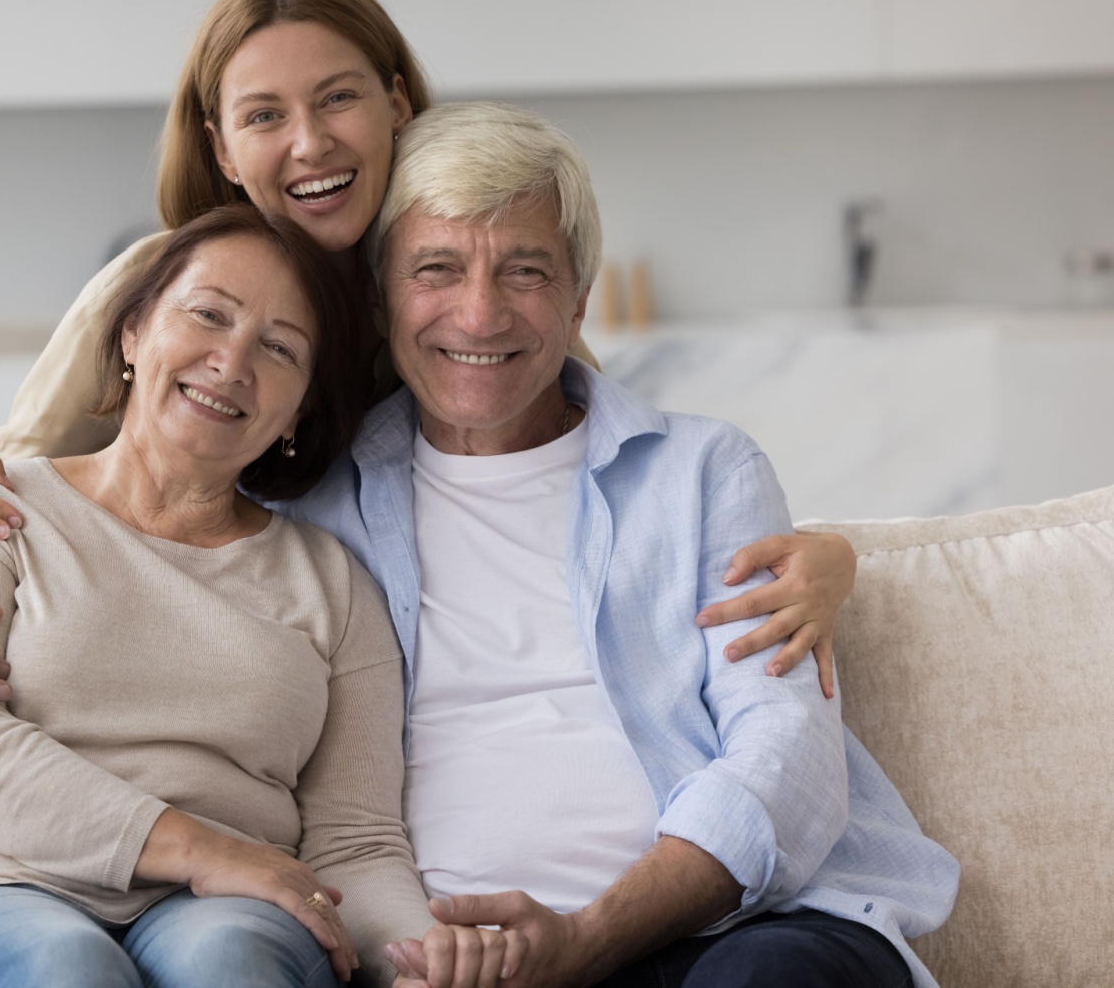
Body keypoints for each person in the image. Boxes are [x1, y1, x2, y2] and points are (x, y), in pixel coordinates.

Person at [0, 0, 859, 760]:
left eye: (337, 100)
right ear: (224, 149)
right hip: (184, 692)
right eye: (263, 116)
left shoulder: (471, 287)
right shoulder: (163, 288)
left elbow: (613, 467)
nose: (310, 144)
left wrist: (832, 551)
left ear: (398, 104)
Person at [278, 101, 952, 988]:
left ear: (580, 295)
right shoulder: (316, 503)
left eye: (525, 271)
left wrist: (590, 938)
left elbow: (787, 753)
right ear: (380, 297)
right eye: (436, 269)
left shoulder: (704, 470)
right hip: (456, 963)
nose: (479, 316)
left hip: (732, 932)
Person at [0, 204, 456, 988]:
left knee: (230, 963)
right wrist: (203, 849)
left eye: (279, 348)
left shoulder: (335, 584)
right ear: (132, 334)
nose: (233, 360)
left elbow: (358, 843)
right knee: (69, 969)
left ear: (300, 408)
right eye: (209, 315)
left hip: (225, 913)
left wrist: (422, 963)